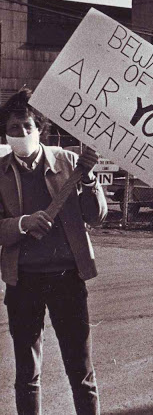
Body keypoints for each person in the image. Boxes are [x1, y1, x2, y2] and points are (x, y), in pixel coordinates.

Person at [0, 88, 107, 415]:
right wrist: (22, 223)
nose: (22, 134)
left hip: (68, 280)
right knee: (27, 375)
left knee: (81, 371)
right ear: (5, 132)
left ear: (40, 128)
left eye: (28, 127)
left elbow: (96, 216)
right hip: (23, 284)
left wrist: (88, 180)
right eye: (14, 129)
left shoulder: (69, 162)